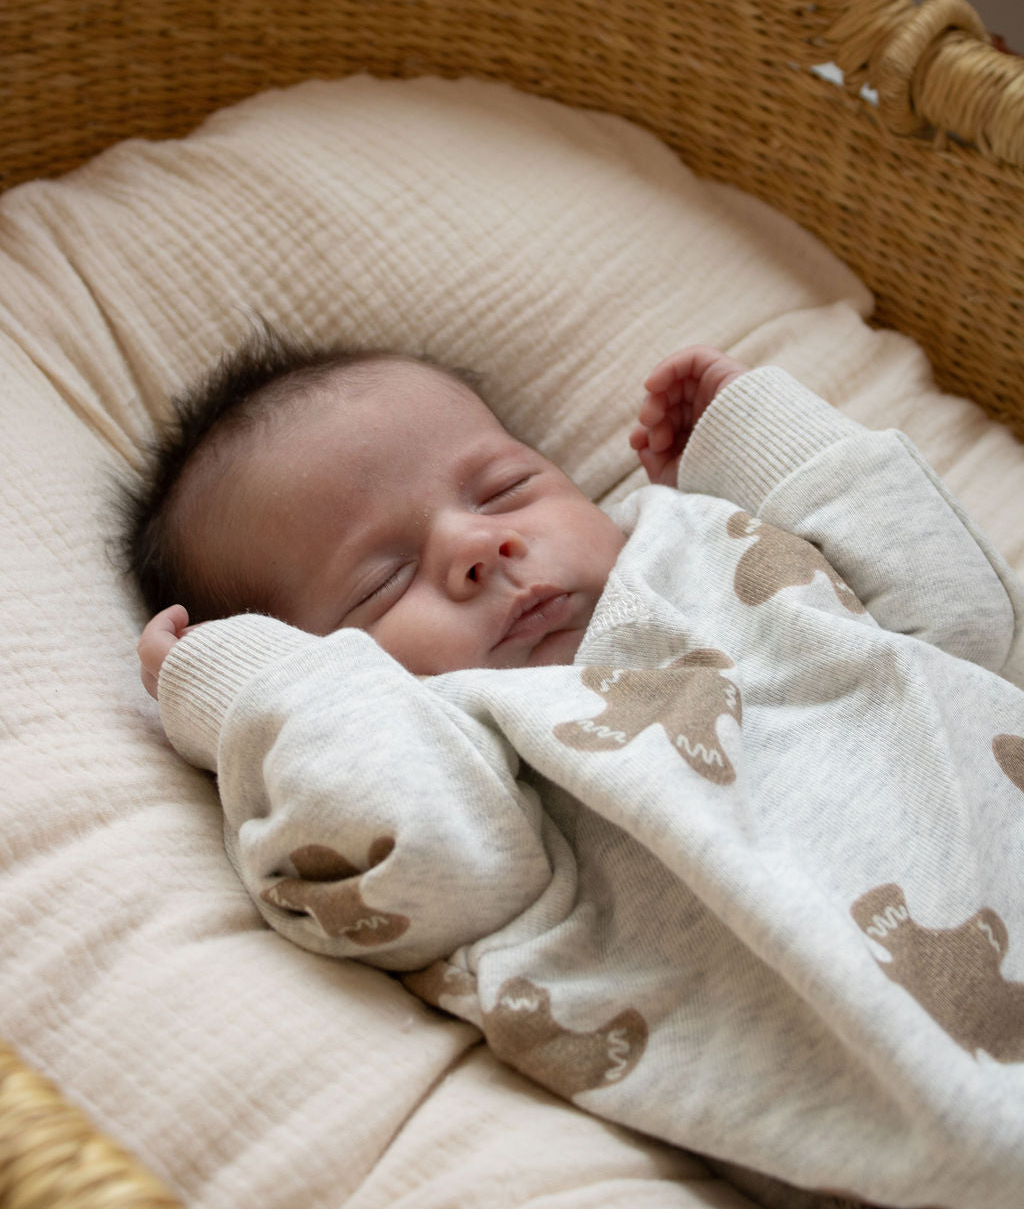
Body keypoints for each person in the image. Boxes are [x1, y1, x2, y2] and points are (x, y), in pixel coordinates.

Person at [126, 332, 1024, 1209]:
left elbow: (957, 624)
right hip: (926, 1100)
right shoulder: (442, 746)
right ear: (326, 667)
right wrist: (269, 696)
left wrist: (763, 449)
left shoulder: (706, 541)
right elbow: (433, 861)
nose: (480, 546)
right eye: (381, 583)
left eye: (506, 488)